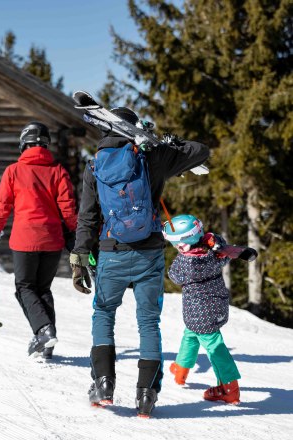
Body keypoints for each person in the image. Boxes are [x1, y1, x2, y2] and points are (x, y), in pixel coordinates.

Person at [69, 106, 209, 417]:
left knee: (104, 313)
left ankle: (103, 383)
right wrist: (172, 143)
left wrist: (79, 256)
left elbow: (88, 218)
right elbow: (201, 151)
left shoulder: (94, 167)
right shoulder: (153, 157)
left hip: (111, 253)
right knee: (149, 322)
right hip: (149, 254)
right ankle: (146, 395)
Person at [0, 121, 78, 360]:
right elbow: (68, 207)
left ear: (23, 144)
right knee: (42, 289)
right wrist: (75, 233)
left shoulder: (14, 171)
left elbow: (3, 205)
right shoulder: (58, 170)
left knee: (24, 288)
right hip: (52, 239)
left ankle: (44, 331)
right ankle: (47, 343)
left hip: (25, 239)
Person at [164, 214, 255, 405]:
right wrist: (212, 242)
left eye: (175, 244)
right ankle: (181, 369)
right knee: (190, 334)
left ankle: (229, 389)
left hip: (199, 312)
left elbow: (173, 275)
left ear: (183, 245)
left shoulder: (187, 264)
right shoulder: (216, 252)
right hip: (217, 305)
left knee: (215, 347)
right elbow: (220, 245)